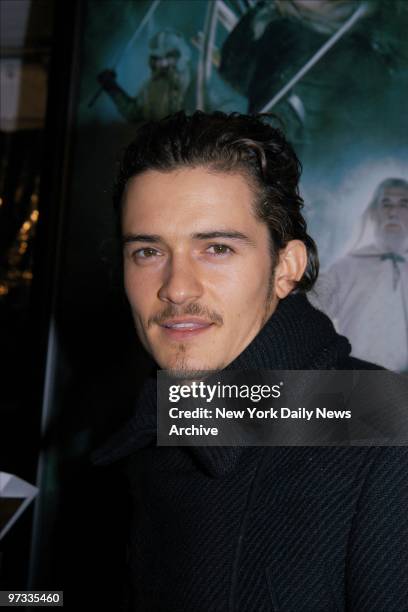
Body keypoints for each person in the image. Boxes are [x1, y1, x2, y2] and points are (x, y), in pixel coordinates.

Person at [91, 112, 407, 611]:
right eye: (148, 251)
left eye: (216, 248)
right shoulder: (163, 419)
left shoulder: (388, 433)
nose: (175, 287)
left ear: (286, 268)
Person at [311, 178, 408, 373]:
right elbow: (312, 307)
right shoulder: (349, 267)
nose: (393, 212)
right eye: (386, 204)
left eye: (403, 204)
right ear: (374, 213)